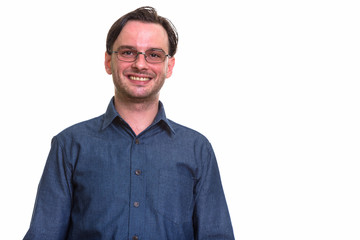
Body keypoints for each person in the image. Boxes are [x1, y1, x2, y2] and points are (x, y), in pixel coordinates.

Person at [23, 6, 234, 240]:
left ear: (169, 66)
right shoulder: (70, 145)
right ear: (108, 61)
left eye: (154, 54)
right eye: (127, 52)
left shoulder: (197, 149)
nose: (140, 65)